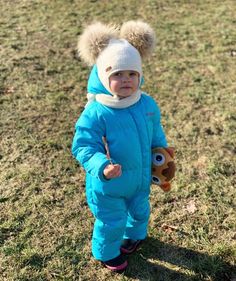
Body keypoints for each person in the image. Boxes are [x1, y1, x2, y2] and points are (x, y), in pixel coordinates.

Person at [72, 21, 168, 272]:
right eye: (117, 74)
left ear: (139, 75)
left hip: (140, 178)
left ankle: (134, 236)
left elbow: (156, 133)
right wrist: (102, 166)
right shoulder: (96, 112)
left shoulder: (146, 104)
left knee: (140, 210)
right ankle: (107, 252)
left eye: (132, 74)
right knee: (111, 220)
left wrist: (162, 155)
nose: (126, 80)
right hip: (108, 185)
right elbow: (83, 146)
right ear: (104, 76)